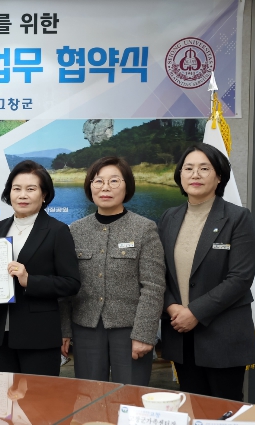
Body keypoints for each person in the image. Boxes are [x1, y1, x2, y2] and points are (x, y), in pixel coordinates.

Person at [158, 144, 255, 401]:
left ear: (219, 176)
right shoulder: (169, 217)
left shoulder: (237, 217)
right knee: (192, 406)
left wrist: (195, 312)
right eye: (188, 168)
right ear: (180, 175)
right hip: (180, 333)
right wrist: (171, 306)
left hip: (223, 335)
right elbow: (158, 271)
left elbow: (240, 278)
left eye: (204, 168)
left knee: (224, 410)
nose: (195, 174)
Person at [62, 156, 165, 385]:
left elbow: (154, 286)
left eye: (114, 181)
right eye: (98, 181)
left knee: (130, 397)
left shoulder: (144, 228)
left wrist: (144, 333)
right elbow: (66, 285)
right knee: (89, 395)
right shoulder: (74, 230)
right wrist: (64, 330)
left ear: (127, 186)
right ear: (90, 186)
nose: (105, 187)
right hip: (85, 328)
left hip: (130, 330)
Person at [0, 160, 80, 375]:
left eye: (31, 189)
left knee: (38, 395)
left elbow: (71, 283)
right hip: (1, 333)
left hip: (39, 336)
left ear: (44, 195)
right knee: (5, 393)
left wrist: (30, 281)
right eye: (16, 189)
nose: (22, 195)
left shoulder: (57, 231)